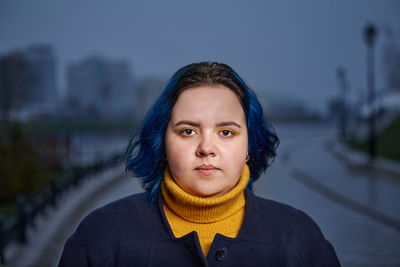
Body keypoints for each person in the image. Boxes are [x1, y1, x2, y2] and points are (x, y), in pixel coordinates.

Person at [59, 62, 341, 266]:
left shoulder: (298, 238)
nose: (206, 148)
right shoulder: (102, 236)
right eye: (188, 131)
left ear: (248, 147)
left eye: (226, 132)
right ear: (163, 142)